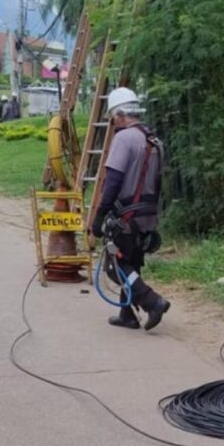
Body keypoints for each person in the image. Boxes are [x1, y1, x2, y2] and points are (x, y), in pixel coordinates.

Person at [91, 87, 170, 331]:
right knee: (132, 262)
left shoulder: (124, 139)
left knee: (116, 266)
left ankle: (152, 301)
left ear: (121, 113)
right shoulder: (155, 141)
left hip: (126, 215)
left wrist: (100, 215)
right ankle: (127, 315)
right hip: (147, 214)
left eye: (114, 116)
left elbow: (113, 180)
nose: (113, 121)